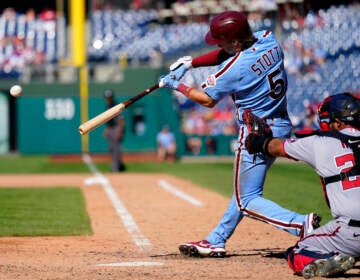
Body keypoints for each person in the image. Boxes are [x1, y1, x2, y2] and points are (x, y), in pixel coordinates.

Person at [158, 11, 320, 258]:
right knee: (246, 192)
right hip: (280, 124)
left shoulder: (234, 69)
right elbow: (228, 51)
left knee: (247, 199)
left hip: (256, 133)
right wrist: (191, 63)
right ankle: (216, 239)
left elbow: (206, 99)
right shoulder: (269, 39)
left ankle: (300, 224)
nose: (218, 44)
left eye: (222, 40)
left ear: (235, 42)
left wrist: (176, 84)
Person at [245, 92, 359, 278]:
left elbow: (274, 147)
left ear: (338, 123)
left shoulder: (320, 142)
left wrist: (257, 140)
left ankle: (331, 258)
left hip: (350, 232)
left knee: (298, 251)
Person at [103, 89, 126, 172]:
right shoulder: (107, 106)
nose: (108, 99)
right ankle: (116, 165)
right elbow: (108, 120)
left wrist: (120, 131)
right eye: (106, 97)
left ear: (112, 97)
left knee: (116, 149)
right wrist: (106, 129)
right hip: (110, 129)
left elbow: (121, 119)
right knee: (111, 149)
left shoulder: (116, 106)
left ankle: (116, 168)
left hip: (116, 129)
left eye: (109, 97)